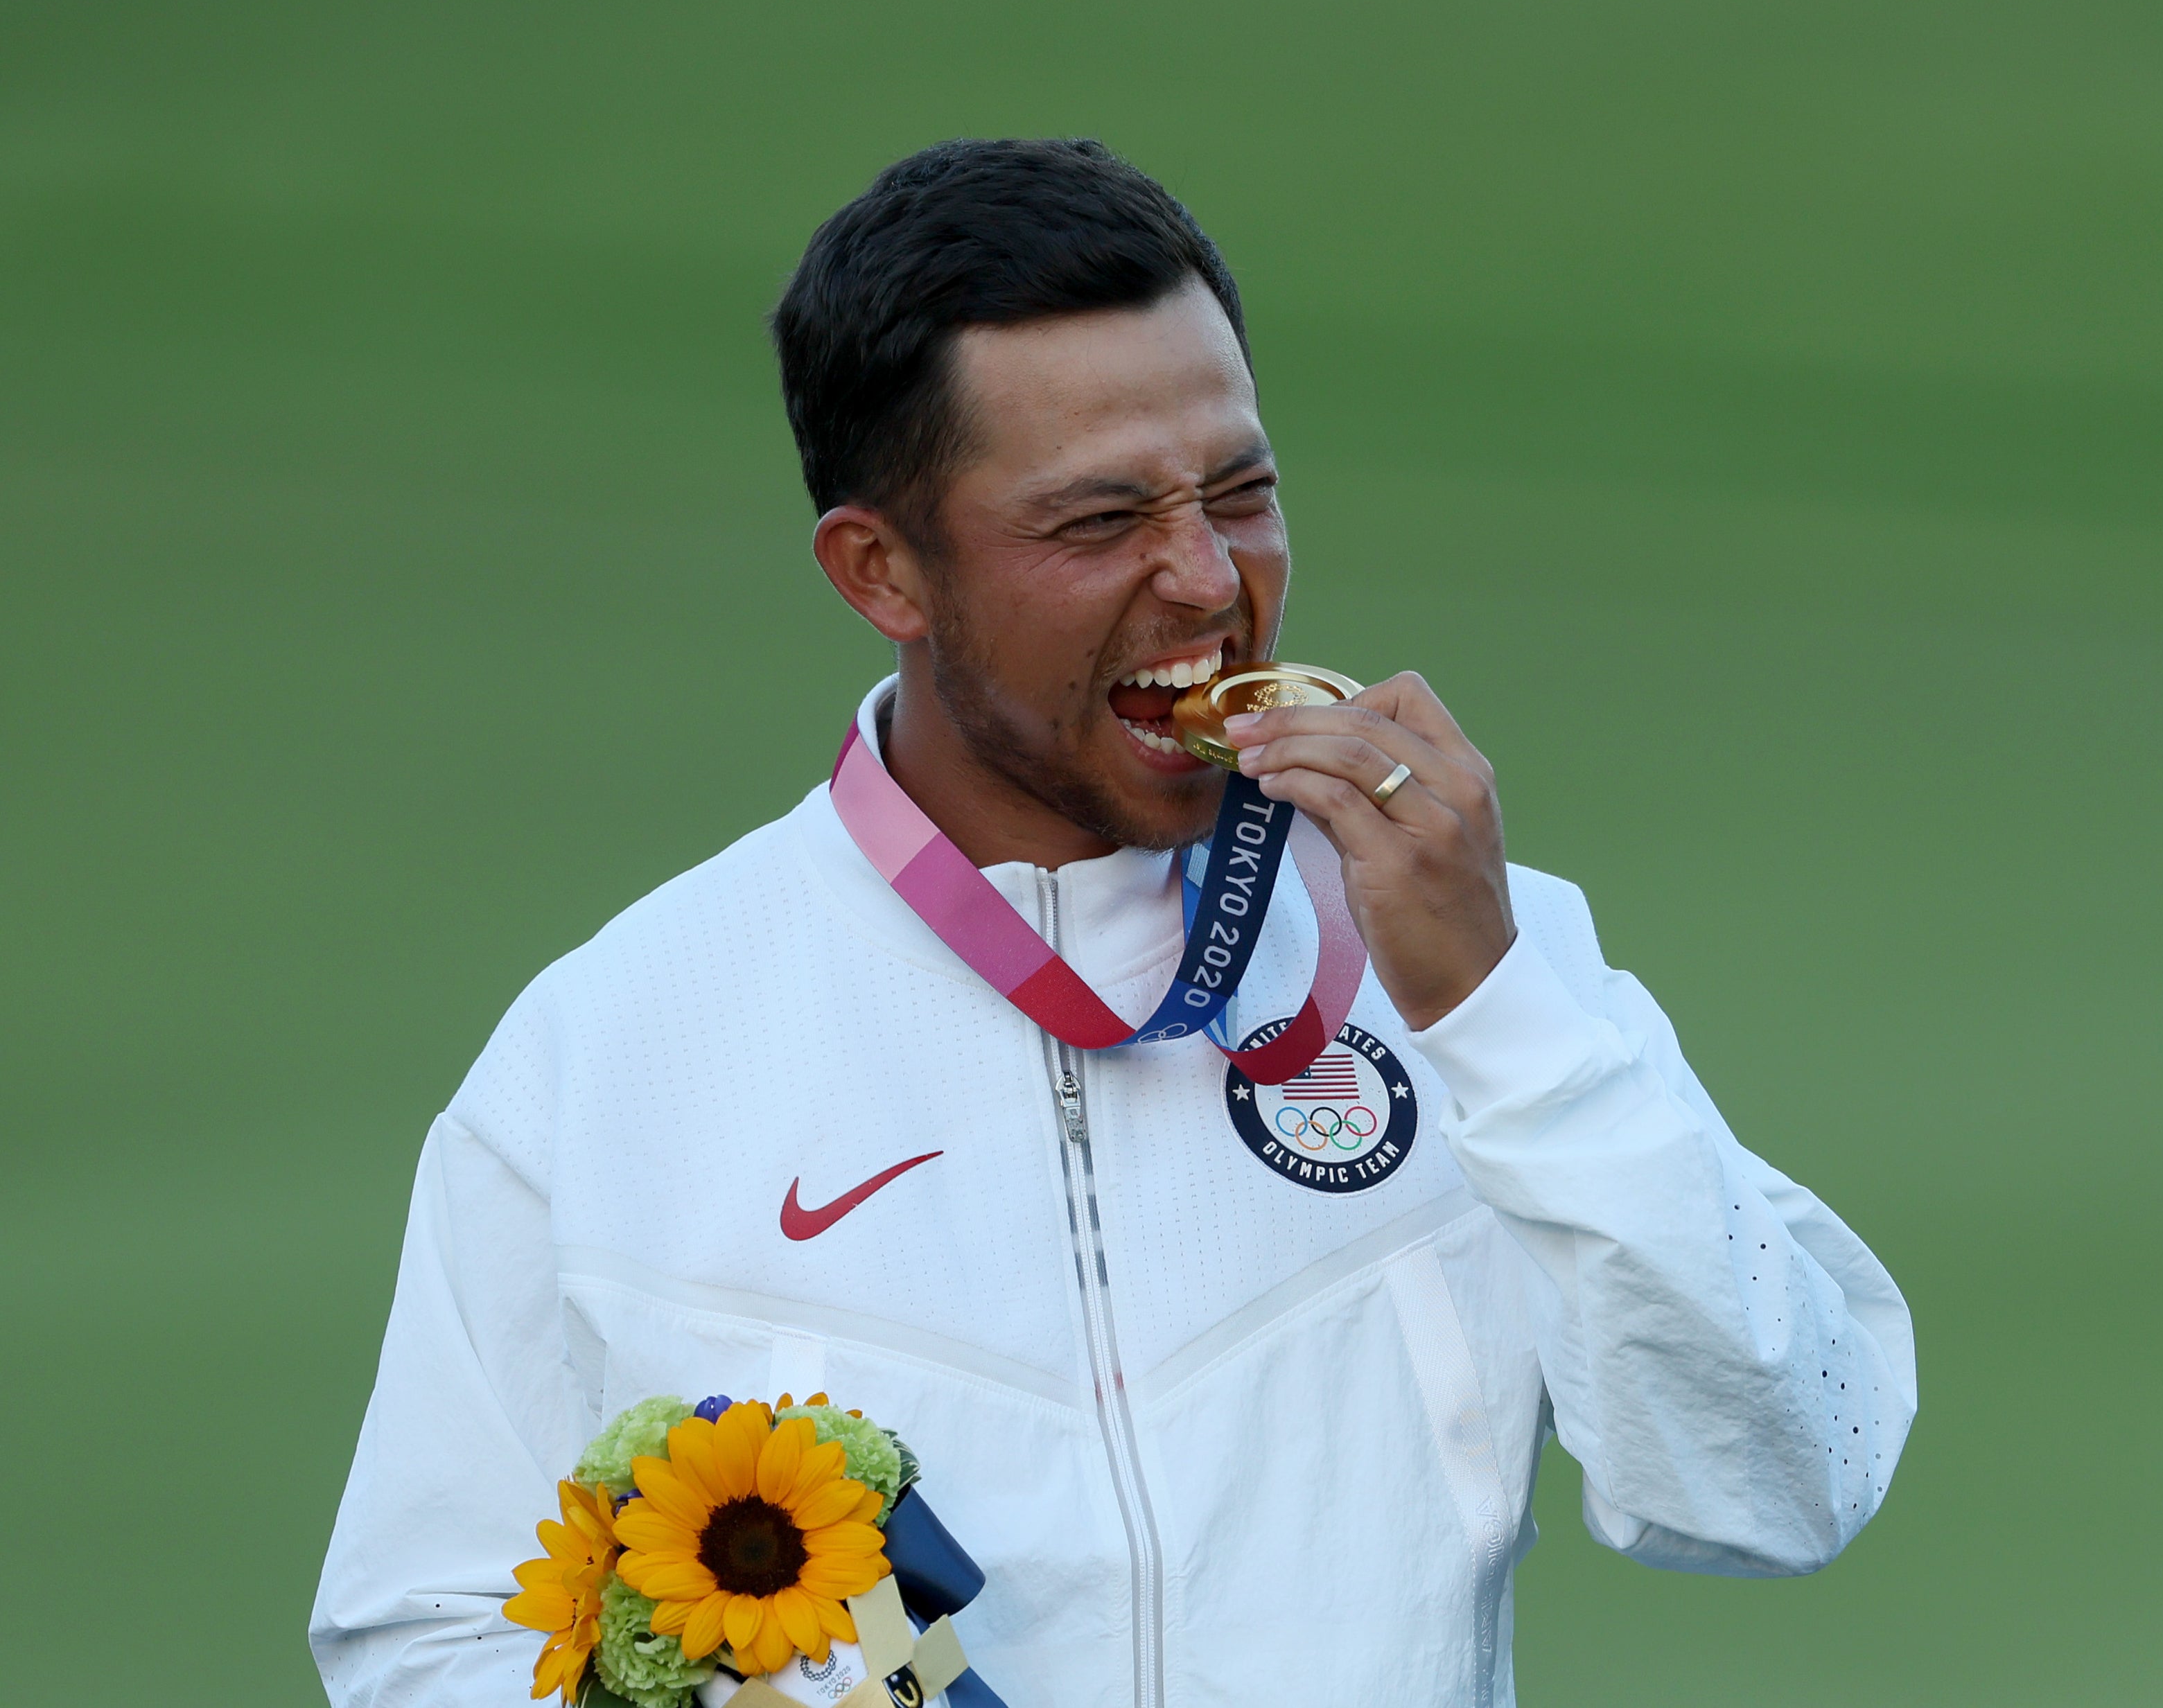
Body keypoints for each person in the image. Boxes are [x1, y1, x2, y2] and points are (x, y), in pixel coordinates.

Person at [312, 138, 1916, 1708]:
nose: (1210, 583)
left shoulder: (1467, 953)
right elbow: (423, 1633)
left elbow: (1781, 1488)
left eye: (1242, 491)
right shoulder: (619, 1049)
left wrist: (1499, 1011)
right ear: (883, 572)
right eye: (1098, 526)